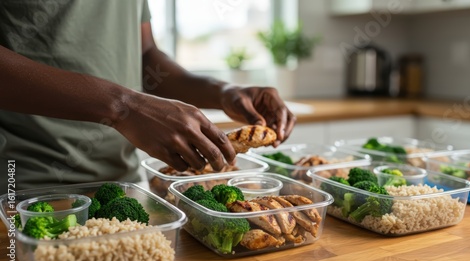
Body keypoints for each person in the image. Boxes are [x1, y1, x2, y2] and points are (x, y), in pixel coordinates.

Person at [0, 0, 295, 194]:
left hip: (122, 186)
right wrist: (124, 106)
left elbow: (145, 56)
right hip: (23, 189)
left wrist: (223, 92)